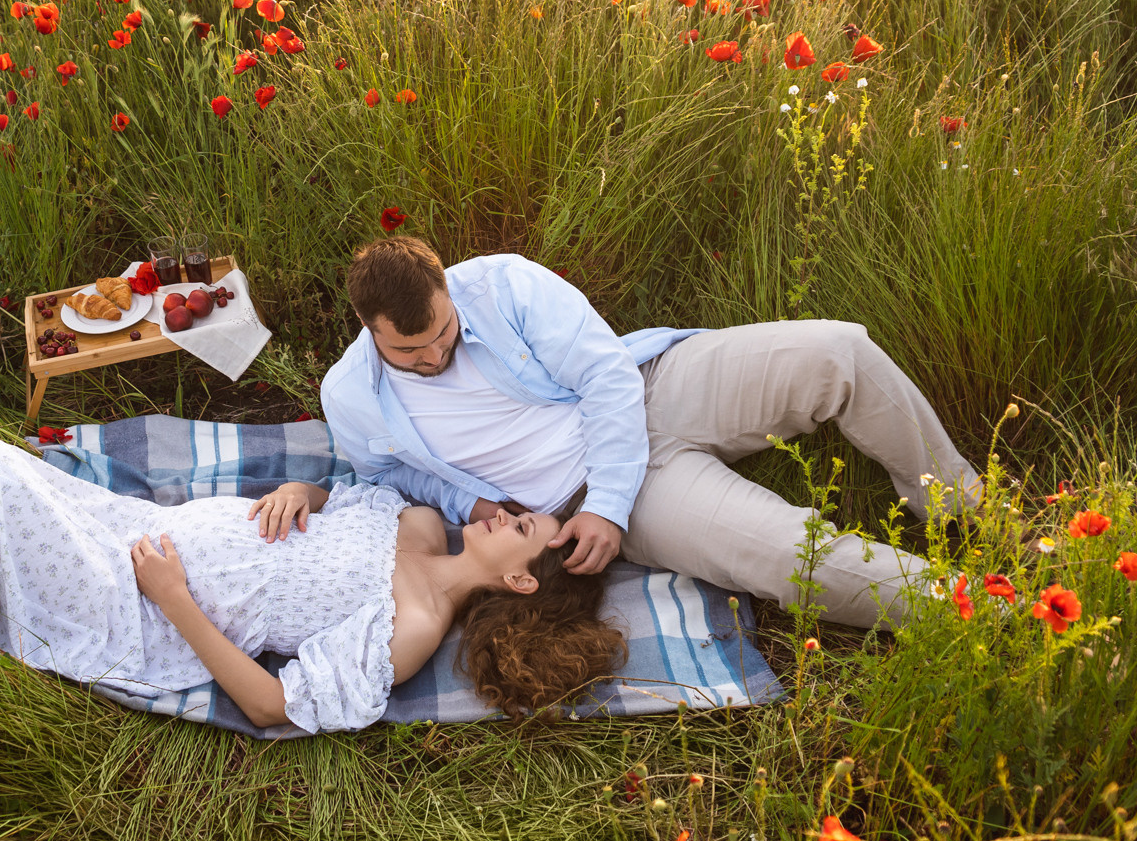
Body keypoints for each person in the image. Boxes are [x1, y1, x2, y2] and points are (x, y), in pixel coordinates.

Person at [0, 437, 625, 731]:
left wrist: (172, 600)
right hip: (134, 530)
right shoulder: (412, 521)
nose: (498, 511)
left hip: (136, 599)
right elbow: (331, 498)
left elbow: (270, 703)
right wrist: (304, 488)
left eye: (519, 525)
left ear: (520, 580)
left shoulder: (407, 627)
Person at [319, 236, 984, 629]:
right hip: (606, 500)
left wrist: (608, 499)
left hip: (653, 386)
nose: (434, 354)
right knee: (789, 556)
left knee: (841, 351)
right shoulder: (350, 399)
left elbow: (604, 374)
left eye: (443, 332)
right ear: (368, 328)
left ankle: (964, 508)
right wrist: (478, 504)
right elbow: (395, 480)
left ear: (445, 288)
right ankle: (985, 609)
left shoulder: (503, 284)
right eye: (410, 352)